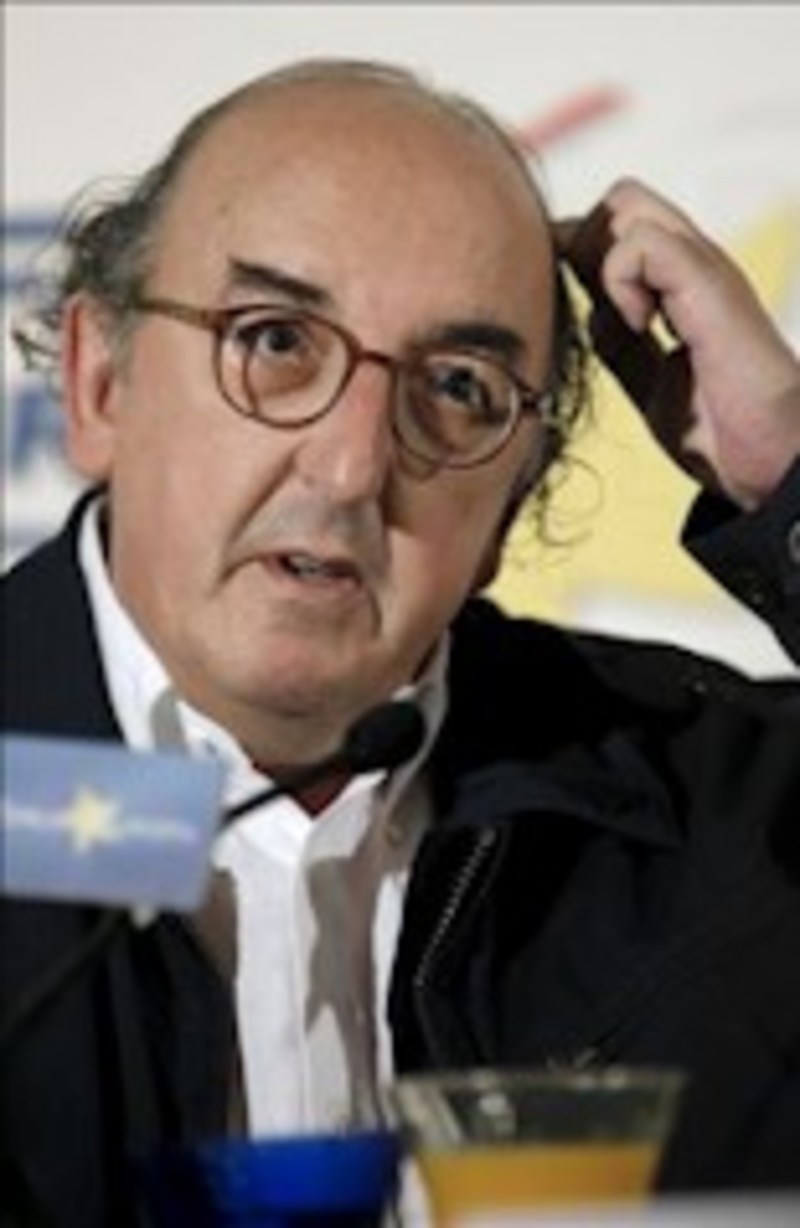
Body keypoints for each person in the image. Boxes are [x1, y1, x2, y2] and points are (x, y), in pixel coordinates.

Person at [2, 56, 799, 1227]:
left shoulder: (711, 813)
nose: (351, 466)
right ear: (100, 384)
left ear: (507, 514)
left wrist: (784, 476)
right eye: (276, 339)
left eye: (459, 388)